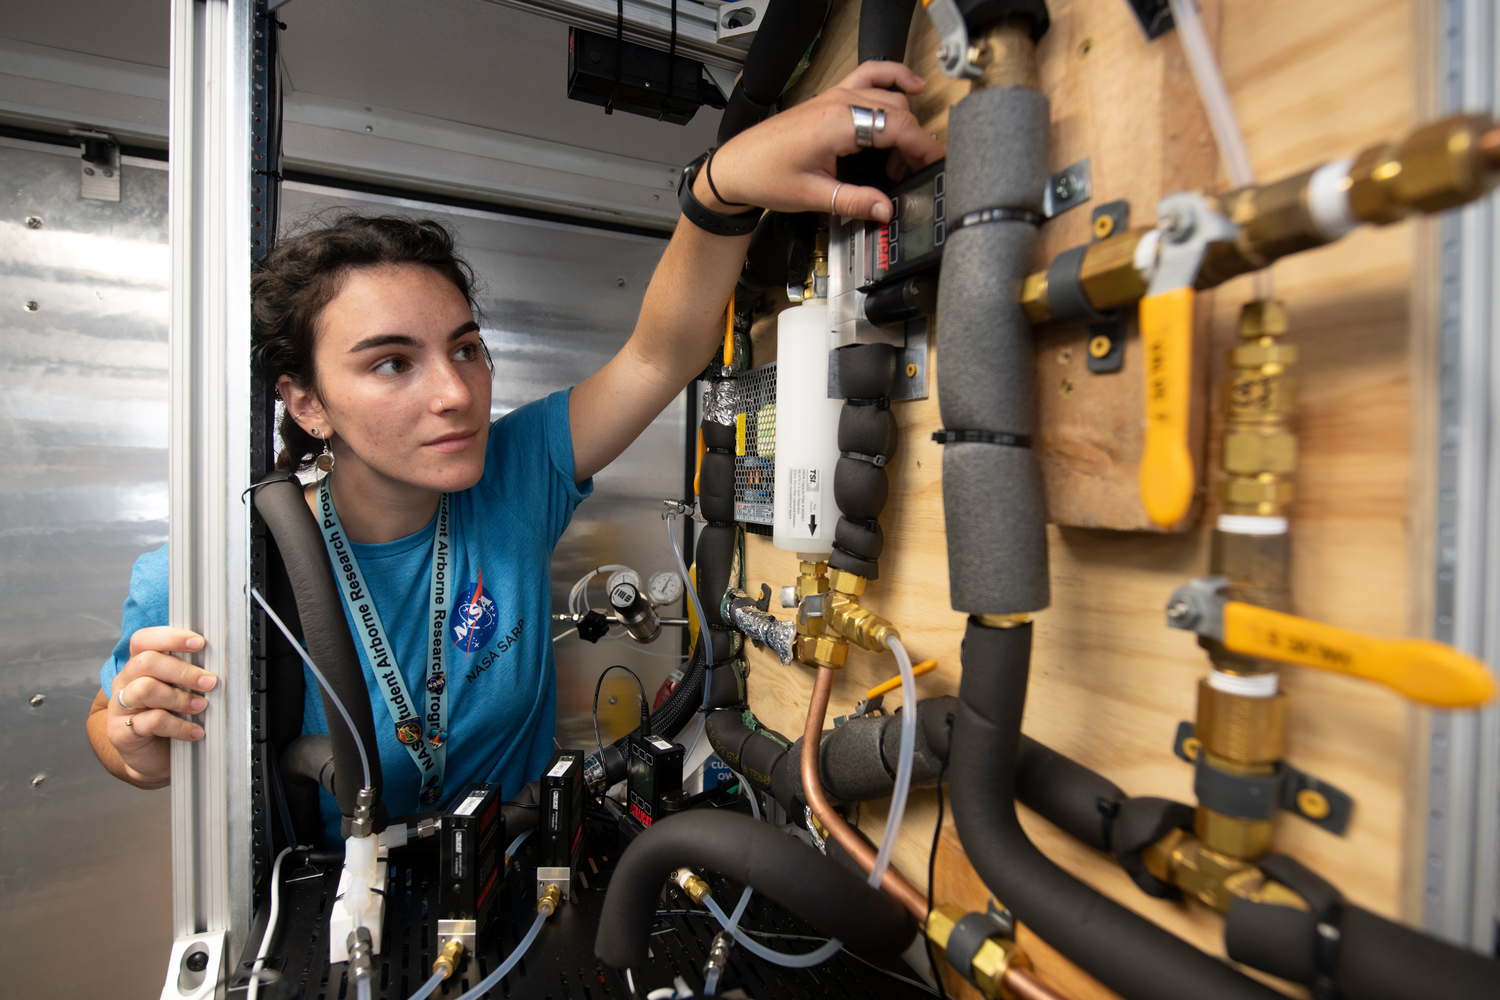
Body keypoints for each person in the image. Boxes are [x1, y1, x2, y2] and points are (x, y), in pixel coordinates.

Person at [86, 62, 942, 840]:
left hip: (521, 883)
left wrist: (719, 190)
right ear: (307, 403)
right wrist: (138, 742)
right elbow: (117, 735)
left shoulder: (513, 472)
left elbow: (658, 355)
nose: (455, 392)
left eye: (464, 348)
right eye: (391, 363)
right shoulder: (215, 571)